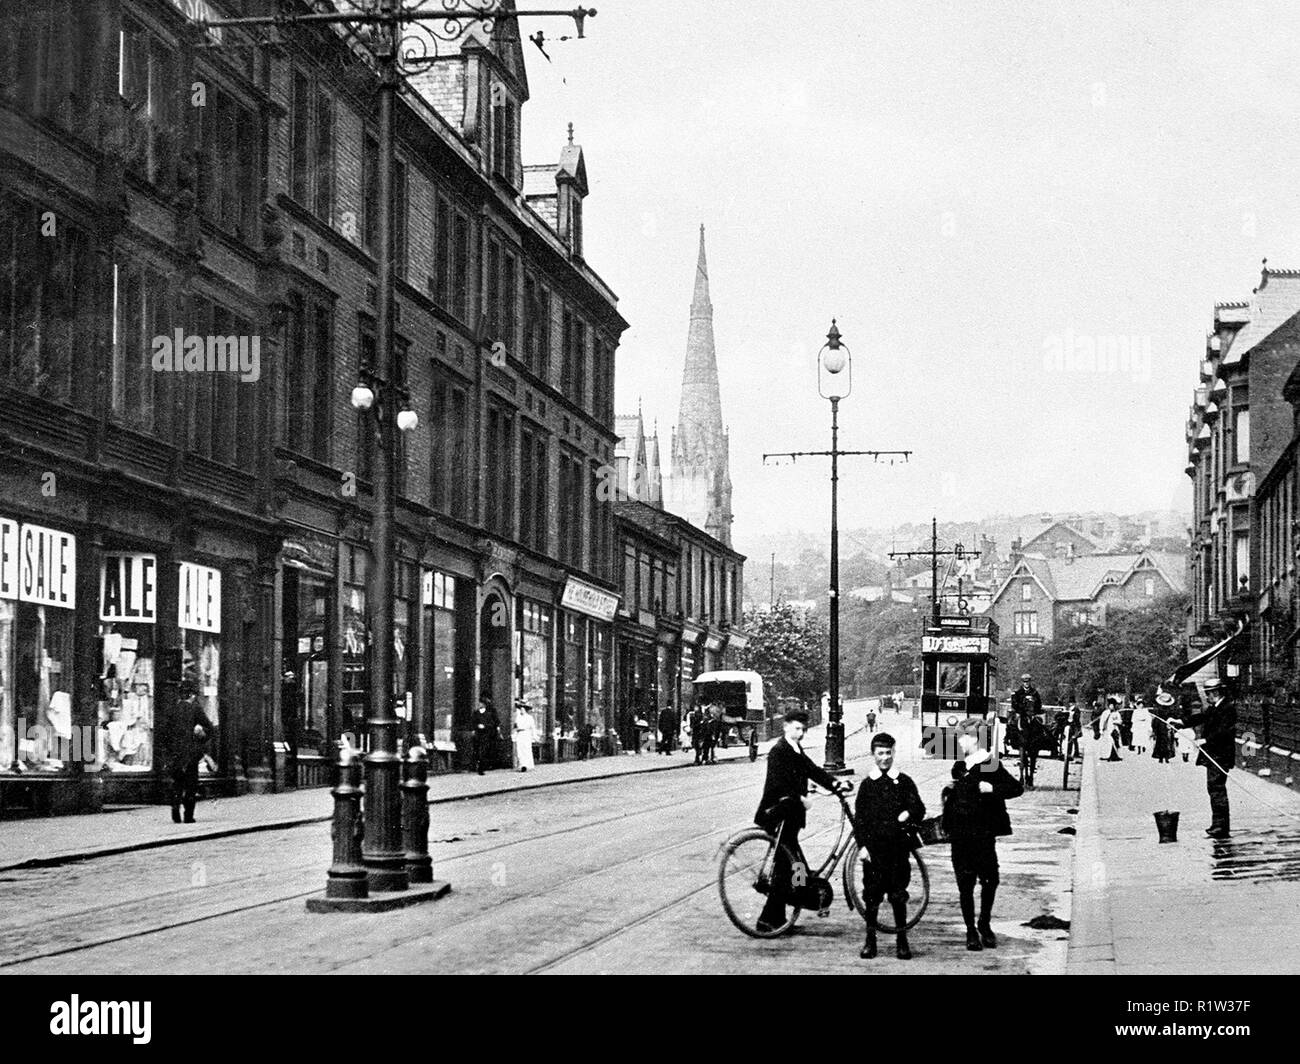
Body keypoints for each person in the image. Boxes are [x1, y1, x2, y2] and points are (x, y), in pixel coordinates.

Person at [753, 709, 851, 933]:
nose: (801, 733)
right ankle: (771, 917)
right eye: (797, 728)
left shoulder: (795, 749)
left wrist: (835, 784)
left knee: (791, 865)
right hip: (778, 814)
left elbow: (813, 770)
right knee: (789, 866)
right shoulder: (779, 751)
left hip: (791, 817)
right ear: (786, 726)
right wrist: (801, 798)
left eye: (803, 729)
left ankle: (781, 912)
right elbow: (779, 784)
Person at [942, 718, 1023, 951]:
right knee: (965, 884)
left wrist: (992, 789)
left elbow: (1016, 788)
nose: (959, 741)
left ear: (974, 739)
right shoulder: (960, 765)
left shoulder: (990, 763)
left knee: (990, 880)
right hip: (960, 834)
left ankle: (984, 924)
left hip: (983, 834)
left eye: (962, 737)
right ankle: (970, 931)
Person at [855, 732, 925, 961]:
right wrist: (862, 847)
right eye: (880, 753)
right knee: (872, 896)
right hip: (874, 852)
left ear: (894, 753)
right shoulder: (867, 785)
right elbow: (860, 821)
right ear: (873, 755)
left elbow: (919, 808)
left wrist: (908, 812)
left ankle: (902, 941)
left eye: (888, 753)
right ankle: (870, 941)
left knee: (897, 895)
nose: (885, 758)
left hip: (897, 850)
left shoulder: (903, 781)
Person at [1170, 677, 1237, 838]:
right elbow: (1200, 718)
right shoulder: (1215, 707)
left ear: (1215, 692)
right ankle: (1218, 825)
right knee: (1214, 789)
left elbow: (1225, 731)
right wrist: (1180, 722)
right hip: (1214, 756)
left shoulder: (1227, 708)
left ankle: (1221, 826)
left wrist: (1206, 740)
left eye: (1208, 693)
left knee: (1217, 789)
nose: (1207, 697)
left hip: (1220, 756)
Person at [169, 680, 216, 824]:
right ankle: (188, 816)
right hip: (191, 752)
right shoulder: (195, 709)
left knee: (177, 782)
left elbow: (165, 732)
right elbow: (209, 728)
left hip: (176, 753)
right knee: (190, 784)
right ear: (192, 695)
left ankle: (175, 809)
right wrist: (201, 735)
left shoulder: (173, 709)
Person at [1010, 673, 1044, 786]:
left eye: (1028, 681)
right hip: (1022, 714)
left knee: (1040, 723)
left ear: (1030, 682)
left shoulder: (1035, 693)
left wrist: (1035, 712)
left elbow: (1039, 704)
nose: (1026, 683)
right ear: (1022, 682)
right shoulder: (1017, 693)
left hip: (1032, 714)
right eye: (1025, 682)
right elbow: (1014, 704)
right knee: (1012, 724)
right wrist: (1021, 711)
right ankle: (1010, 738)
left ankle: (1040, 737)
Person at [473, 695, 502, 775]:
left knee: (483, 751)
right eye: (479, 703)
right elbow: (472, 723)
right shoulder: (476, 713)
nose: (479, 704)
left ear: (484, 704)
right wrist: (476, 726)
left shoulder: (488, 714)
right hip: (478, 734)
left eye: (481, 703)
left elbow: (492, 724)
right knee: (478, 751)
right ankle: (478, 766)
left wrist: (485, 726)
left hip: (485, 735)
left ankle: (481, 768)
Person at [1152, 690, 1177, 764]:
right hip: (1160, 726)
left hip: (1167, 726)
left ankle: (1166, 757)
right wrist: (1155, 729)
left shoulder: (1170, 710)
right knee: (1161, 742)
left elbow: (1173, 718)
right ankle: (1161, 757)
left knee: (1168, 742)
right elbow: (1155, 720)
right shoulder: (1158, 710)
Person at [512, 701, 536, 772]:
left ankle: (527, 765)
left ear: (525, 710)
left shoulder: (529, 718)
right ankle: (521, 765)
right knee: (519, 749)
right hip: (520, 734)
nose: (521, 711)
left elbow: (532, 727)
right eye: (520, 709)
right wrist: (514, 734)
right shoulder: (518, 718)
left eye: (522, 709)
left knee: (526, 749)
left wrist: (533, 736)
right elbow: (515, 727)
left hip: (526, 734)